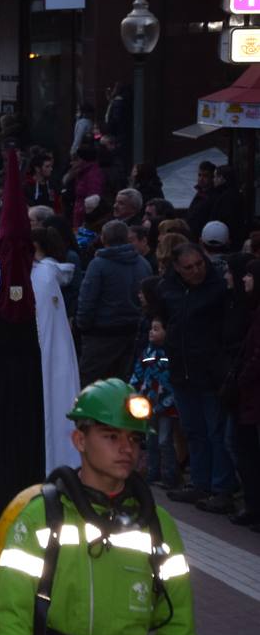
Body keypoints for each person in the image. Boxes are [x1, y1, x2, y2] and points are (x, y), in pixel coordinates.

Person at [0, 378, 199, 635]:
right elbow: (10, 621)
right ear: (80, 441)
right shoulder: (42, 518)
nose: (127, 449)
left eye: (134, 439)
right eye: (112, 437)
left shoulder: (158, 526)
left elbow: (180, 634)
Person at [0, 148, 80, 516]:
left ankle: (34, 494)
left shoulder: (46, 278)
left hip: (33, 375)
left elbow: (51, 335)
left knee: (30, 437)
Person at [158, 243, 236, 515]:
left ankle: (220, 487)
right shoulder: (169, 289)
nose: (196, 271)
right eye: (189, 267)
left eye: (199, 264)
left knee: (215, 431)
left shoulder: (217, 290)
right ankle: (200, 482)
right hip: (182, 369)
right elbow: (167, 319)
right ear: (178, 268)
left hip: (210, 371)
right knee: (193, 429)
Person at [76, 220, 151, 386]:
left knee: (91, 384)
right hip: (132, 333)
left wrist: (83, 326)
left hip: (101, 334)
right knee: (123, 382)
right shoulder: (143, 263)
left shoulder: (98, 265)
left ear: (103, 238)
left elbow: (87, 299)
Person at [130, 316, 179, 490]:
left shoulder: (169, 353)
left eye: (157, 329)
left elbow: (171, 380)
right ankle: (152, 473)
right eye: (151, 328)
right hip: (148, 403)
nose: (152, 332)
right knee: (151, 439)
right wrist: (132, 389)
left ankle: (169, 475)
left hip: (166, 404)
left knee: (164, 440)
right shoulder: (147, 353)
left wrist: (168, 400)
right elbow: (138, 372)